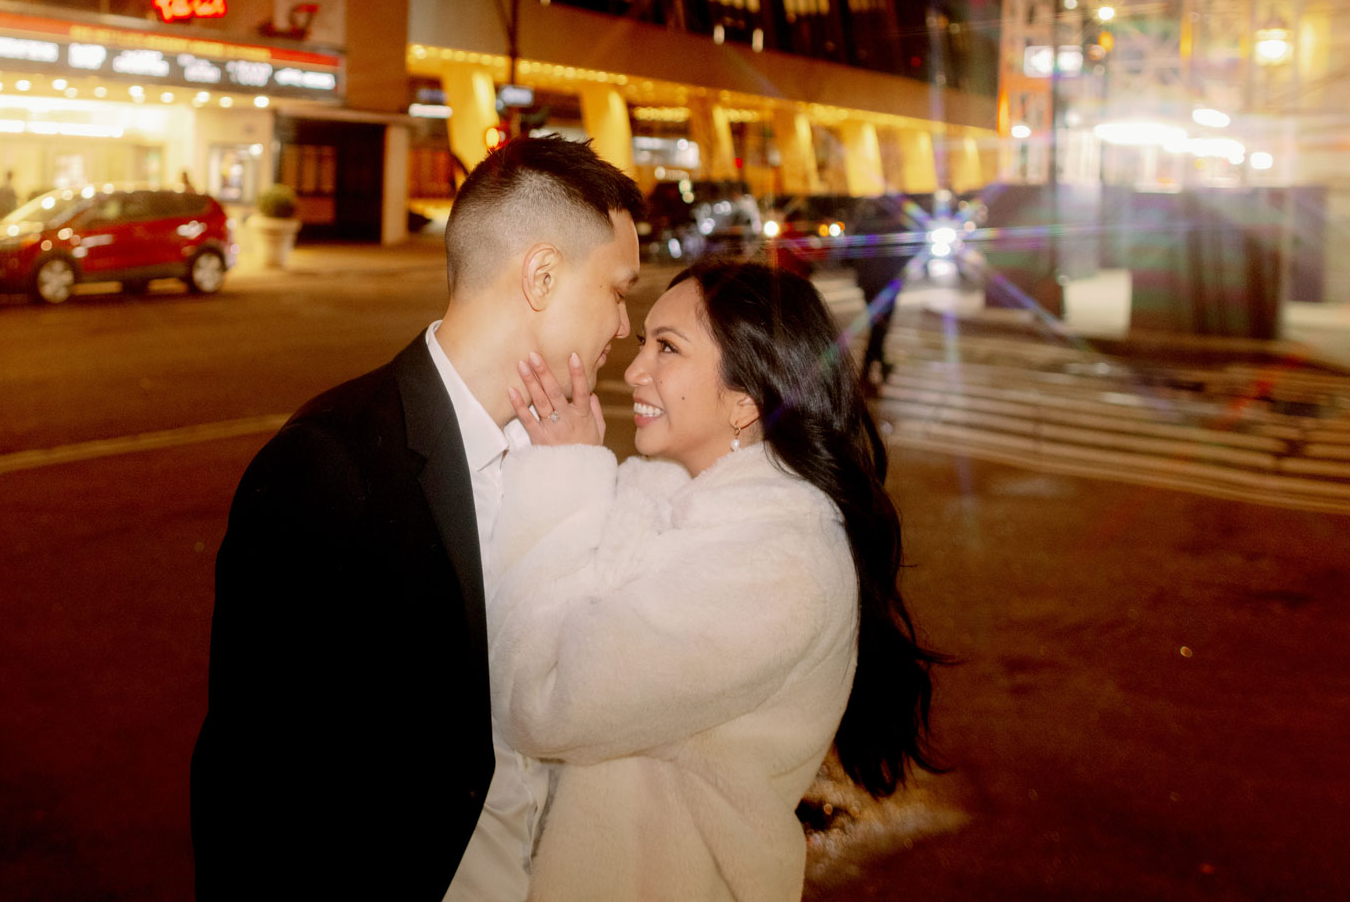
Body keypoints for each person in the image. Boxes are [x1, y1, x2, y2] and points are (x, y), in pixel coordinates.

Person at [189, 135, 644, 899]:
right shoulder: (329, 467)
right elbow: (252, 788)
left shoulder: (560, 457)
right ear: (541, 275)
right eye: (619, 289)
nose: (624, 327)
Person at [489, 260, 943, 901]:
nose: (635, 369)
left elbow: (539, 697)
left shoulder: (779, 563)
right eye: (644, 340)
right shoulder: (667, 500)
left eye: (667, 348)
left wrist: (562, 477)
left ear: (745, 399)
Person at [848, 192, 916, 390]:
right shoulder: (897, 225)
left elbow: (850, 252)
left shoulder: (865, 224)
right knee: (880, 328)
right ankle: (868, 371)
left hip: (870, 283)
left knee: (878, 326)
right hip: (886, 283)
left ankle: (879, 365)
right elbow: (910, 252)